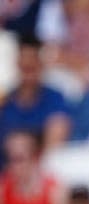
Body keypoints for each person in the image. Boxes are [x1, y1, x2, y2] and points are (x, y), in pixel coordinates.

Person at [0, 33, 71, 167]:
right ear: (17, 63)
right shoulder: (6, 100)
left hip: (39, 172)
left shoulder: (55, 99)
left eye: (32, 67)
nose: (28, 73)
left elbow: (55, 142)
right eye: (25, 67)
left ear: (41, 65)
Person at [0, 129, 67, 204]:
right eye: (9, 159)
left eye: (19, 159)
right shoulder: (3, 188)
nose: (12, 166)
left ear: (35, 157)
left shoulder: (54, 190)